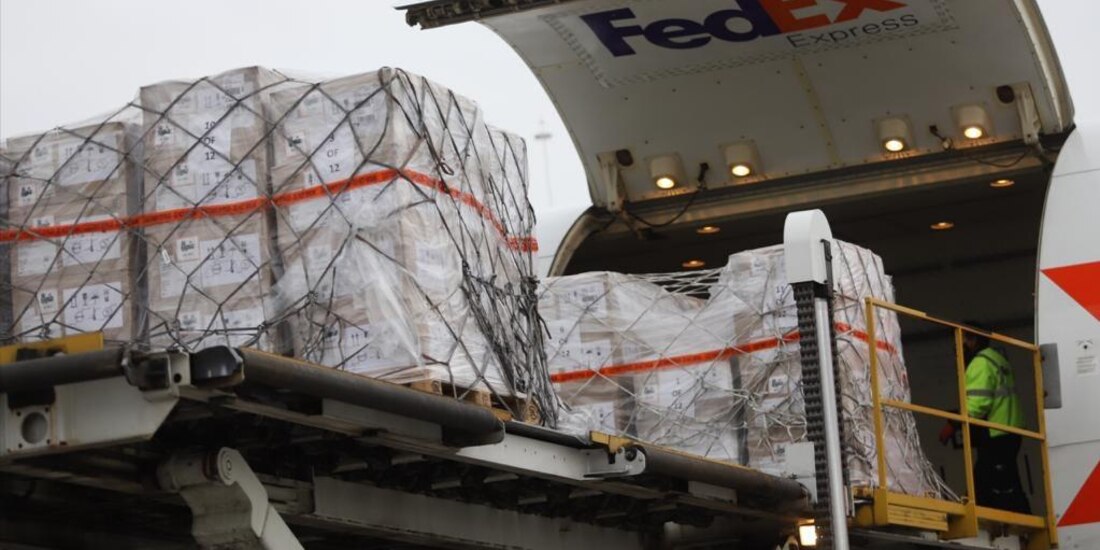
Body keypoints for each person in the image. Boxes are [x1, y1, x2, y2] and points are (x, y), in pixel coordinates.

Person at [938, 322, 1030, 513]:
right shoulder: (997, 358)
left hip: (996, 433)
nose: (957, 348)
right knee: (997, 480)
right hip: (1009, 430)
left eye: (960, 341)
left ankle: (989, 521)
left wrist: (952, 424)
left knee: (992, 484)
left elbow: (978, 405)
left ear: (972, 340)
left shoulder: (980, 363)